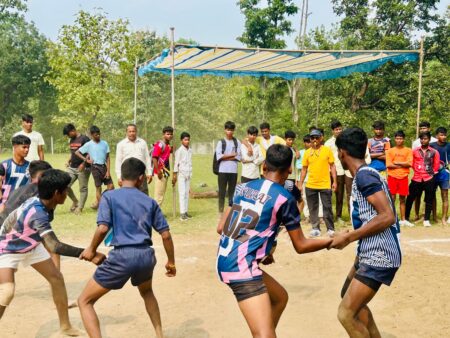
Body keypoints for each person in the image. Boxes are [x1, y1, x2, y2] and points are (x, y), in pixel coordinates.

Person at [216, 144, 332, 338]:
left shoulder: (242, 187)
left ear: (264, 167)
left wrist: (264, 246)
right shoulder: (284, 198)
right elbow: (301, 245)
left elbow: (222, 228)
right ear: (289, 170)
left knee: (279, 298)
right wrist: (331, 240)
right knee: (265, 335)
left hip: (226, 259)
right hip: (241, 266)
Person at [77, 158, 176, 338]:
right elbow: (166, 235)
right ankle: (160, 334)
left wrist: (91, 249)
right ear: (140, 178)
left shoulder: (109, 196)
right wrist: (171, 261)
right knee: (147, 292)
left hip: (122, 256)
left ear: (121, 177)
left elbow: (103, 228)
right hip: (146, 256)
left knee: (84, 301)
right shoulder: (150, 201)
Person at [0, 169, 105, 335]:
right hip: (6, 248)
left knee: (56, 278)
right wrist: (88, 254)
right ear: (57, 193)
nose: (67, 193)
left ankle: (65, 325)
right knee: (6, 292)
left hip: (30, 244)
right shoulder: (38, 212)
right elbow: (55, 246)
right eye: (66, 190)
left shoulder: (44, 202)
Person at [331, 127, 401, 338]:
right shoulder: (366, 174)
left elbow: (387, 216)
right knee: (348, 297)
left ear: (342, 152)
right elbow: (373, 215)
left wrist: (349, 236)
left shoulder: (364, 177)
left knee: (346, 313)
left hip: (380, 254)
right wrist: (353, 231)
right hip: (368, 251)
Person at [298, 129, 337, 237]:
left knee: (327, 207)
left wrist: (335, 181)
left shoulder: (327, 150)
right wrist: (300, 183)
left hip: (325, 184)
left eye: (317, 137)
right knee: (312, 208)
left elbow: (332, 166)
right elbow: (304, 169)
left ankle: (330, 228)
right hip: (311, 185)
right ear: (310, 139)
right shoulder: (307, 153)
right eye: (312, 138)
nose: (314, 139)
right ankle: (315, 228)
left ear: (321, 138)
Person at [405, 132, 440, 227]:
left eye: (425, 139)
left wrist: (429, 173)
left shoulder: (434, 152)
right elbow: (411, 163)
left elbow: (436, 166)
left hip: (429, 178)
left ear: (429, 140)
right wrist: (418, 170)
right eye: (422, 139)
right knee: (410, 198)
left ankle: (427, 220)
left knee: (429, 199)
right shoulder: (414, 151)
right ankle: (406, 218)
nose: (423, 140)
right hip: (416, 178)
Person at [75, 126, 114, 209]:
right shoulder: (89, 144)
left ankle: (99, 201)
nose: (98, 136)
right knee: (98, 187)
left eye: (99, 134)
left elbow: (107, 157)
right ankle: (102, 207)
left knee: (111, 186)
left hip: (104, 167)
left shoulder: (104, 143)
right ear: (91, 135)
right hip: (95, 168)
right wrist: (86, 160)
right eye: (96, 135)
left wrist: (108, 171)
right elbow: (77, 152)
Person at [386, 130, 413, 227]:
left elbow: (409, 163)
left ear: (404, 139)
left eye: (401, 138)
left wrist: (396, 163)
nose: (399, 140)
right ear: (395, 139)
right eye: (397, 138)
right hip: (392, 177)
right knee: (392, 198)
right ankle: (391, 219)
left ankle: (403, 219)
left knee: (402, 199)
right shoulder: (390, 151)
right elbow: (388, 164)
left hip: (403, 177)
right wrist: (403, 164)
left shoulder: (408, 150)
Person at [115, 124, 152, 194]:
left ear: (136, 132)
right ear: (126, 132)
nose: (132, 133)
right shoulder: (121, 144)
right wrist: (119, 177)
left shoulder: (142, 143)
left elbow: (147, 158)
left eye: (133, 131)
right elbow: (118, 161)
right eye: (130, 131)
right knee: (128, 195)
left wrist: (149, 172)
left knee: (143, 194)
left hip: (140, 173)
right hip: (126, 174)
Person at [411, 121, 437, 220]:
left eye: (425, 128)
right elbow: (413, 158)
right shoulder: (416, 142)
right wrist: (417, 169)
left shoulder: (434, 141)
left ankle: (430, 215)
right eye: (421, 128)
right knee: (417, 195)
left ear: (429, 129)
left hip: (430, 174)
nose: (423, 130)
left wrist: (432, 171)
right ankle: (417, 214)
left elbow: (435, 157)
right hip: (418, 175)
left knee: (430, 195)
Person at [63, 123, 91, 214]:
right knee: (64, 185)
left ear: (73, 130)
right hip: (72, 167)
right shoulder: (71, 140)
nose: (68, 136)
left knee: (83, 188)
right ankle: (75, 201)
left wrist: (84, 163)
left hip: (83, 168)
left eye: (68, 134)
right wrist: (68, 160)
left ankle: (80, 208)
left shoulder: (85, 139)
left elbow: (90, 152)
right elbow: (73, 153)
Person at [216, 121, 241, 214]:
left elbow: (238, 157)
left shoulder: (237, 142)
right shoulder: (220, 142)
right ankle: (221, 211)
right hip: (222, 170)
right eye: (228, 130)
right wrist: (232, 155)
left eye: (231, 130)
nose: (229, 132)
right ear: (224, 130)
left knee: (232, 192)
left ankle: (231, 210)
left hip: (233, 171)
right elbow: (219, 157)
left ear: (234, 130)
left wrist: (225, 156)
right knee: (222, 192)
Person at [324, 121, 346, 223]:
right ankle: (328, 216)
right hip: (329, 171)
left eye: (340, 129)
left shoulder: (346, 141)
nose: (338, 131)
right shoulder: (328, 143)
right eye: (336, 129)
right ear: (332, 131)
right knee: (328, 194)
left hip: (341, 170)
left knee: (340, 194)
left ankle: (339, 216)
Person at [0, 135, 31, 206]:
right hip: (4, 205)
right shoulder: (4, 165)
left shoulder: (30, 167)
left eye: (28, 147)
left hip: (22, 205)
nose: (27, 150)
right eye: (24, 147)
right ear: (15, 146)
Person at [430, 127, 450, 225]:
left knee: (445, 195)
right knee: (432, 195)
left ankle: (443, 218)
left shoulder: (449, 146)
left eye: (445, 135)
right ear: (437, 136)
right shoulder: (431, 146)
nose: (443, 137)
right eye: (441, 135)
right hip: (433, 174)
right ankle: (434, 217)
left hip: (444, 174)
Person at [172, 132, 193, 221]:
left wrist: (190, 173)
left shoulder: (190, 150)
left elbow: (190, 163)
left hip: (188, 174)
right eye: (185, 140)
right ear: (181, 141)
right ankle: (182, 213)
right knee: (182, 193)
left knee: (186, 194)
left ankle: (186, 211)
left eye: (188, 139)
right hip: (181, 174)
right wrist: (174, 175)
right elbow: (176, 163)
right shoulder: (179, 151)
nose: (187, 141)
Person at [152, 126, 174, 206]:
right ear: (163, 134)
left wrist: (172, 149)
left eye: (171, 134)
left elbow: (166, 154)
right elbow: (154, 157)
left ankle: (157, 212)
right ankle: (155, 215)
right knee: (158, 195)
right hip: (160, 172)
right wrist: (158, 171)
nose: (170, 136)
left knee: (162, 193)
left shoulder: (168, 145)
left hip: (165, 172)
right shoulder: (160, 145)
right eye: (168, 134)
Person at [296, 135, 312, 220]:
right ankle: (307, 216)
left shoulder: (314, 151)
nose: (309, 144)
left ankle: (315, 215)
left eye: (310, 142)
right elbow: (298, 165)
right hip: (303, 178)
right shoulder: (301, 153)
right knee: (305, 197)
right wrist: (306, 165)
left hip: (313, 178)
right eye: (307, 142)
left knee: (313, 198)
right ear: (304, 143)